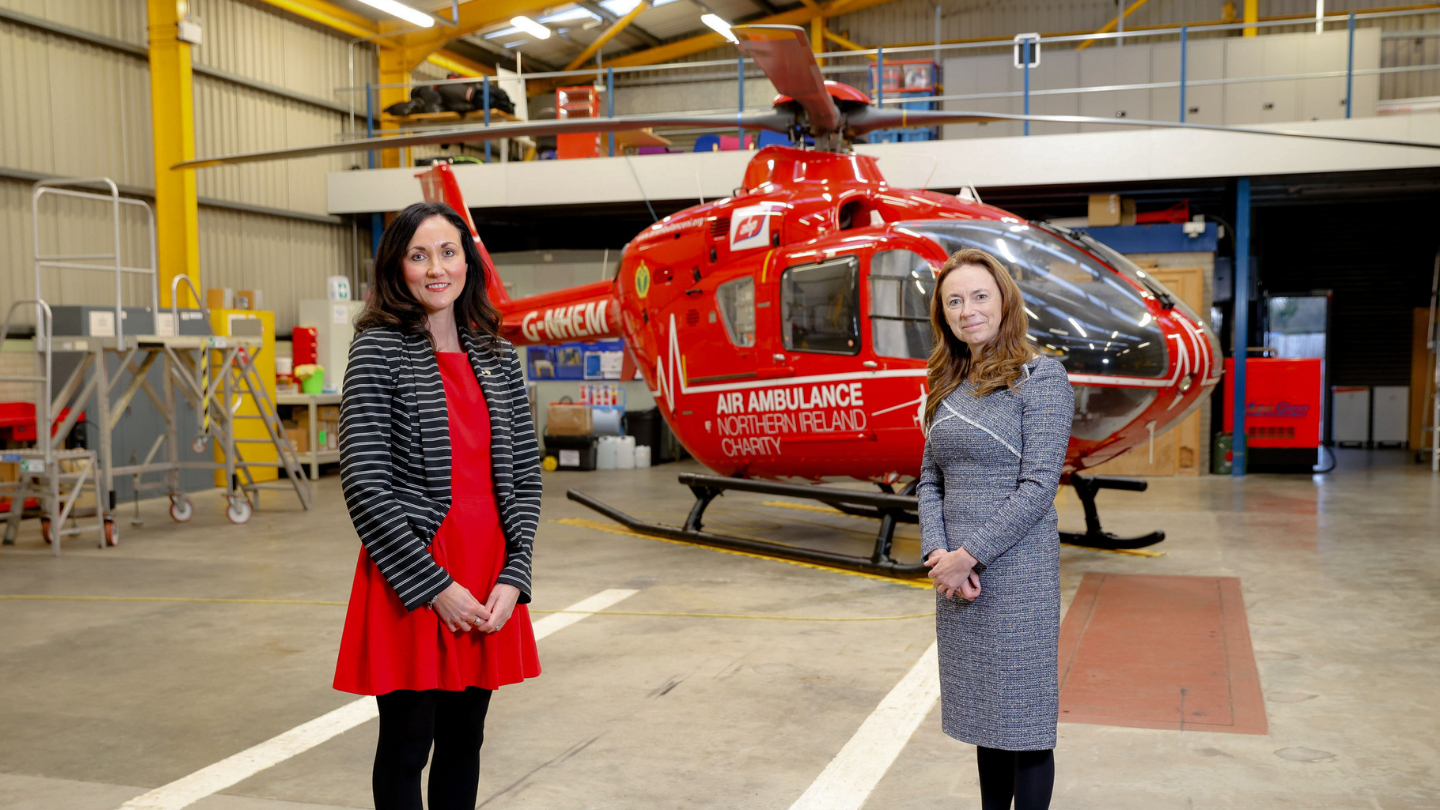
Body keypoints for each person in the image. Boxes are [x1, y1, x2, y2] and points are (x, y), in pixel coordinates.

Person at [332, 201, 542, 810]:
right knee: (406, 742)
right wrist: (433, 586)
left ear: (467, 263)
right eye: (418, 254)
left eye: (448, 252)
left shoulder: (498, 357)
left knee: (465, 739)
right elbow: (365, 482)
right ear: (397, 266)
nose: (435, 268)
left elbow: (525, 477)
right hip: (414, 568)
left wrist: (515, 573)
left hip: (487, 568)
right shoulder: (377, 351)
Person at [917, 247, 1074, 810]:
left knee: (1025, 722)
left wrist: (970, 556)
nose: (968, 311)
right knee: (987, 716)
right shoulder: (943, 383)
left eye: (980, 296)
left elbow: (1038, 487)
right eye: (954, 301)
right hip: (958, 581)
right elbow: (928, 479)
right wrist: (940, 555)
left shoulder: (1041, 378)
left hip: (1017, 574)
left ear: (1005, 301)